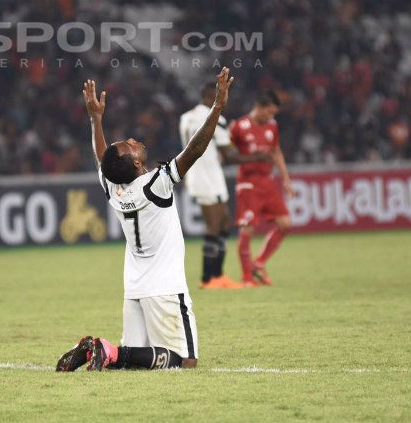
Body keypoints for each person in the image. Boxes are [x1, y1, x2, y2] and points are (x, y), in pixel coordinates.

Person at [56, 68, 235, 372]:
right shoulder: (156, 184)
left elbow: (104, 159)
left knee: (133, 362)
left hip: (134, 288)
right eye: (130, 145)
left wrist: (96, 120)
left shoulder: (114, 189)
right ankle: (109, 350)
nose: (132, 140)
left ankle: (102, 350)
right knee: (185, 362)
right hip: (165, 288)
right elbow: (195, 149)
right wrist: (217, 106)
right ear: (137, 162)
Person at [179, 83, 274, 289]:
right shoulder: (216, 119)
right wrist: (258, 156)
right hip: (208, 177)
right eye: (221, 96)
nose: (224, 100)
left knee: (223, 223)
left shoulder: (186, 117)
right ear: (211, 97)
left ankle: (218, 276)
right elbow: (229, 154)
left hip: (198, 174)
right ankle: (208, 278)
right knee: (215, 225)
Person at [229, 91, 294, 287]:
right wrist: (250, 158)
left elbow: (276, 152)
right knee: (247, 230)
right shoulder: (239, 126)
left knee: (285, 224)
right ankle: (247, 277)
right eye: (270, 112)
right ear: (260, 107)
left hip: (268, 182)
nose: (272, 116)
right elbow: (228, 152)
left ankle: (259, 263)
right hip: (248, 183)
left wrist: (286, 179)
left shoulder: (272, 125)